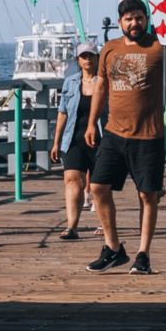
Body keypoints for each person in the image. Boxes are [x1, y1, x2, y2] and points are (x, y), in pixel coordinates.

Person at [86, 0, 166, 274]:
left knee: (148, 195)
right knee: (98, 187)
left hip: (149, 136)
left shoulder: (160, 47)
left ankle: (143, 254)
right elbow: (100, 88)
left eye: (139, 17)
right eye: (128, 18)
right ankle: (113, 248)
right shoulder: (110, 49)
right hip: (114, 133)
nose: (134, 23)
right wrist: (91, 124)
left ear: (146, 19)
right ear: (121, 22)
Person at [53, 47, 96, 239]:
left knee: (99, 186)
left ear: (97, 58)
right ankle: (72, 227)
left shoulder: (106, 82)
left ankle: (105, 224)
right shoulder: (70, 83)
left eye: (91, 56)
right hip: (74, 139)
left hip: (100, 139)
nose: (87, 60)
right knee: (71, 180)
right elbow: (62, 113)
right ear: (78, 60)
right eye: (83, 56)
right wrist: (56, 142)